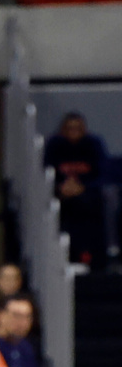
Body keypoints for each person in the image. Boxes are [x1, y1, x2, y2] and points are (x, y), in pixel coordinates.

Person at [44, 111, 108, 269]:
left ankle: (96, 260)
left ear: (84, 129)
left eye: (77, 128)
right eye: (69, 128)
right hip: (63, 198)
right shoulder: (54, 146)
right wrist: (61, 187)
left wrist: (83, 187)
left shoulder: (93, 145)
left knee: (93, 202)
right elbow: (46, 173)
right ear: (63, 130)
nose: (73, 132)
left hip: (88, 198)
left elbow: (103, 174)